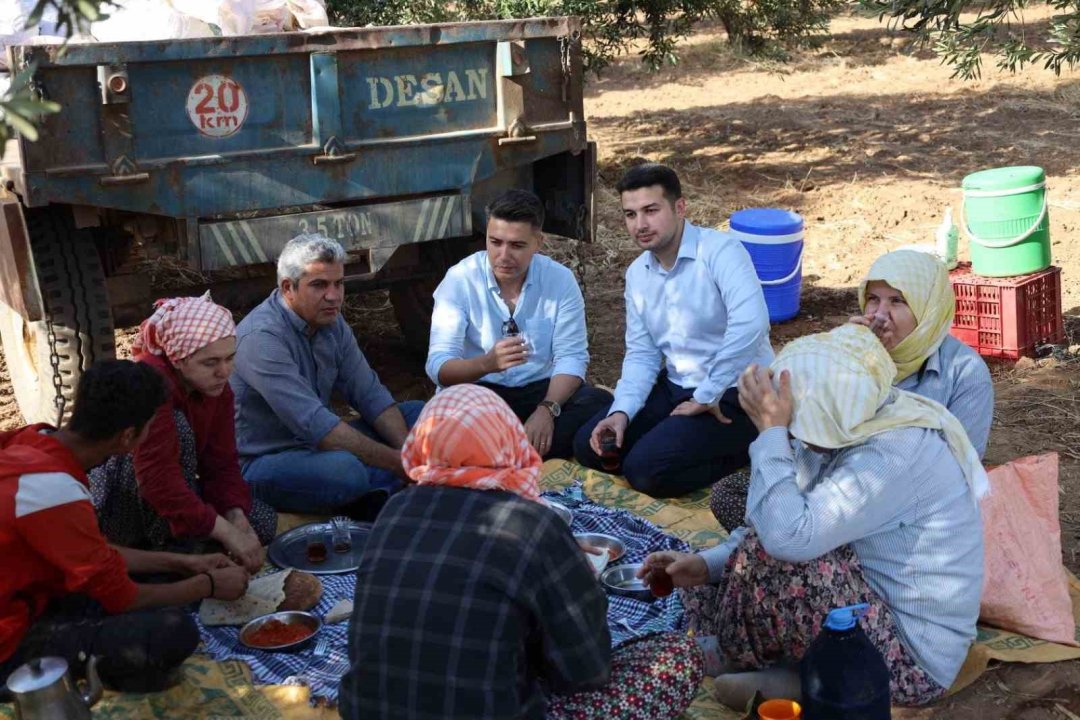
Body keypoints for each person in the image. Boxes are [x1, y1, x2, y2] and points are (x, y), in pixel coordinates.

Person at [640, 324, 985, 709]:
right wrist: (705, 566)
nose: (798, 434)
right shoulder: (845, 424)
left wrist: (771, 433)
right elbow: (766, 519)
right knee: (739, 553)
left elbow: (784, 537)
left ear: (833, 408)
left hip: (908, 660)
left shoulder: (895, 451)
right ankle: (799, 677)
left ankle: (739, 655)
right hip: (864, 596)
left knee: (776, 550)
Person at [339, 384, 703, 720]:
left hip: (368, 711)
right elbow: (586, 671)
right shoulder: (535, 526)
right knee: (678, 656)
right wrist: (575, 581)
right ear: (508, 441)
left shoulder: (394, 511)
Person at [0, 360, 250, 696]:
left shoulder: (31, 439)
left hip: (26, 593)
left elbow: (93, 553)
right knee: (171, 632)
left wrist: (187, 565)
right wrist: (207, 585)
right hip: (10, 637)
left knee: (167, 577)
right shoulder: (53, 491)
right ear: (129, 436)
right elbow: (124, 598)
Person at [711, 248, 993, 531]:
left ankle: (800, 550)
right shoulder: (854, 349)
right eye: (873, 299)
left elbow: (953, 472)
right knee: (730, 495)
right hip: (826, 477)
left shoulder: (964, 372)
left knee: (786, 531)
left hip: (894, 502)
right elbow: (808, 439)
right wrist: (846, 357)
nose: (880, 314)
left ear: (927, 309)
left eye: (897, 301)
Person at [572, 163, 773, 497]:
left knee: (645, 472)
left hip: (735, 391)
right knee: (590, 445)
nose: (640, 225)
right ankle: (674, 440)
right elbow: (642, 354)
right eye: (630, 214)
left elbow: (751, 324)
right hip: (677, 384)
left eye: (651, 210)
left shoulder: (721, 252)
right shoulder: (638, 274)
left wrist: (706, 394)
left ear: (680, 208)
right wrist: (621, 411)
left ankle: (749, 443)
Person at [231, 233, 425, 516]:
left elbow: (369, 394)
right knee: (346, 473)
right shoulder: (262, 338)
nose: (334, 296)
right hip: (266, 458)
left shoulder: (330, 318)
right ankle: (382, 491)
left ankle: (380, 491)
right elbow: (317, 426)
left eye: (339, 284)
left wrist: (408, 452)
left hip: (315, 444)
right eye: (319, 285)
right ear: (288, 288)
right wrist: (399, 463)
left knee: (420, 416)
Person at [89, 293, 276, 573]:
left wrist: (236, 518)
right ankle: (162, 549)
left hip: (178, 488)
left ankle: (184, 543)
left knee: (260, 523)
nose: (224, 372)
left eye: (229, 358)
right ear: (177, 359)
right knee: (181, 429)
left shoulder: (217, 390)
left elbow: (222, 463)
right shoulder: (150, 385)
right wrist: (225, 532)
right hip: (123, 500)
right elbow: (157, 481)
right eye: (210, 362)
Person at [425, 189, 612, 459]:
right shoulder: (460, 279)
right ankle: (522, 451)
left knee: (598, 403)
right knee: (443, 418)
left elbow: (571, 358)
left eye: (517, 245)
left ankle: (502, 452)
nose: (503, 255)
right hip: (480, 392)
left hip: (540, 392)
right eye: (495, 242)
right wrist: (486, 364)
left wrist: (547, 410)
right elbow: (438, 367)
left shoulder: (560, 280)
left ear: (538, 242)